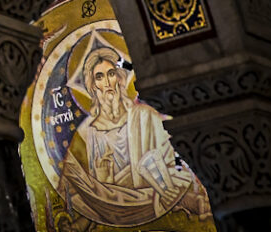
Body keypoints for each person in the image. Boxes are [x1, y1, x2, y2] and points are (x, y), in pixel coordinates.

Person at [61, 41, 209, 222]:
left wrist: (170, 187)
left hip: (161, 198)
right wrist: (103, 178)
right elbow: (80, 189)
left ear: (120, 78)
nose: (107, 83)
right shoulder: (88, 133)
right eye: (99, 77)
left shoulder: (145, 116)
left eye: (111, 74)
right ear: (92, 86)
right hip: (118, 209)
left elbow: (179, 159)